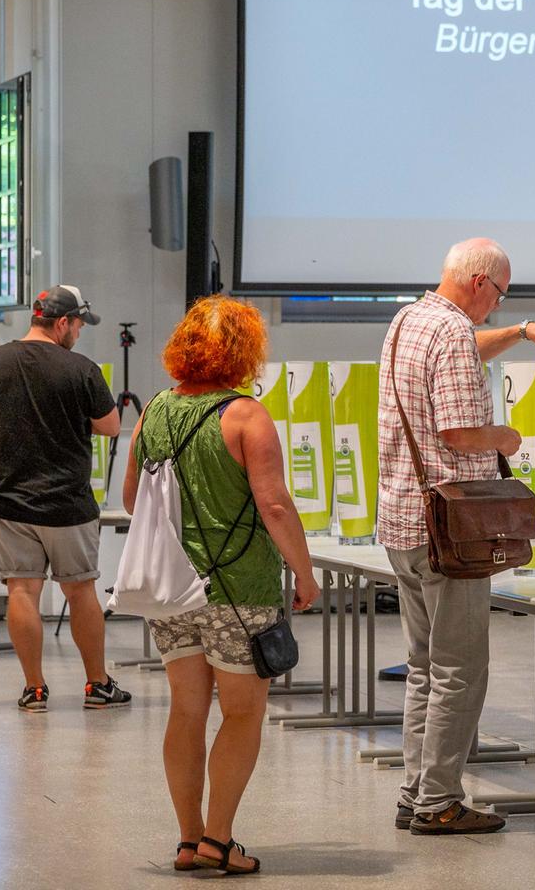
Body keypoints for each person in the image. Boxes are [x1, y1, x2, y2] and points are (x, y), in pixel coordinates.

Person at [379, 238, 535, 835]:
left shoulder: (409, 319)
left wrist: (519, 331)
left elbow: (463, 347)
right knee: (460, 668)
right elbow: (460, 430)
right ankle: (439, 801)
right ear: (482, 282)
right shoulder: (454, 335)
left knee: (422, 667)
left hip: (402, 521)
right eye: (501, 296)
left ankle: (416, 792)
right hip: (450, 535)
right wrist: (506, 439)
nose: (497, 306)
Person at [124, 294, 317, 875]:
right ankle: (219, 839)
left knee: (186, 709)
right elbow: (276, 506)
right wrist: (304, 573)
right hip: (241, 590)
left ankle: (187, 840)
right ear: (245, 352)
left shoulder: (155, 410)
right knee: (241, 713)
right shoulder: (246, 416)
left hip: (170, 588)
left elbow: (132, 499)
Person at [0, 285, 129, 712]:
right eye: (79, 325)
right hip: (68, 505)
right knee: (81, 591)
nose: (80, 333)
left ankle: (35, 689)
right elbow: (110, 425)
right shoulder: (80, 369)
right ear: (62, 322)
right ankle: (97, 685)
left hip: (10, 502)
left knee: (21, 591)